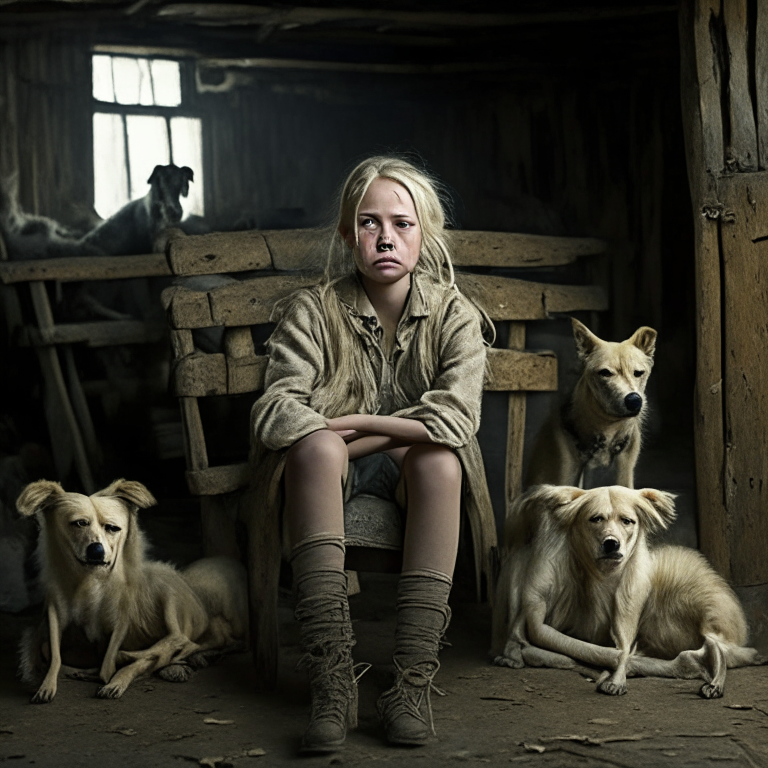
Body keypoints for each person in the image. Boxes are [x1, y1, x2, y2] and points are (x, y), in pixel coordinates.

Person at [250, 155, 496, 752]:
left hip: (409, 475)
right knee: (313, 451)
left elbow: (457, 416)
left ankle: (409, 685)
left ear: (424, 233)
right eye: (368, 222)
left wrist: (357, 426)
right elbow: (277, 409)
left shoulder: (454, 315)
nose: (385, 236)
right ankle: (333, 685)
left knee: (439, 460)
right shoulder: (313, 311)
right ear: (346, 233)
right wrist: (335, 440)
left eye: (402, 223)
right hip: (328, 476)